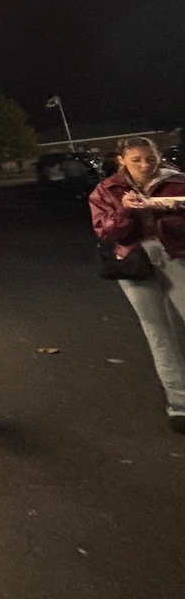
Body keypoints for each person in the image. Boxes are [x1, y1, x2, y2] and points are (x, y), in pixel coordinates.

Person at [89, 136, 185, 435]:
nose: (145, 165)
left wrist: (175, 207)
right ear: (121, 160)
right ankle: (179, 403)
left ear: (158, 156)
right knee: (158, 332)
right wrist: (125, 211)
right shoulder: (107, 189)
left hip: (177, 258)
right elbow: (106, 231)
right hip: (135, 263)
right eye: (136, 160)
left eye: (150, 158)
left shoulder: (177, 182)